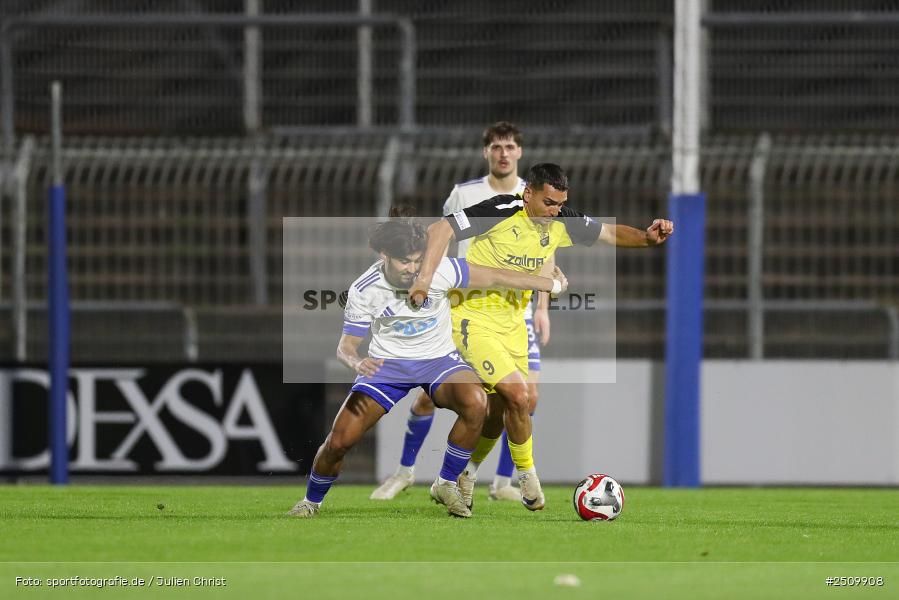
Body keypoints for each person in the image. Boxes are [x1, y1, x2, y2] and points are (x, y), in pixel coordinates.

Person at [407, 162, 674, 511]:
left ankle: (466, 474)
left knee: (514, 403)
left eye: (560, 204)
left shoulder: (560, 221)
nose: (555, 210)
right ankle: (528, 477)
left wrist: (646, 237)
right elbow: (440, 229)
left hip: (514, 324)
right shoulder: (500, 209)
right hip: (473, 319)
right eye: (549, 202)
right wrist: (425, 279)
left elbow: (609, 233)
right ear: (528, 193)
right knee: (517, 394)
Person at [288, 218, 569, 519]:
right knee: (340, 440)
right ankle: (311, 501)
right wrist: (357, 361)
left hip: (438, 360)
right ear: (384, 255)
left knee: (477, 403)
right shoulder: (364, 289)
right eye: (404, 262)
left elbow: (497, 276)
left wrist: (550, 284)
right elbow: (345, 346)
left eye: (418, 260)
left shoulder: (439, 270)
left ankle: (446, 482)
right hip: (387, 367)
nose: (413, 269)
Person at [371, 122, 546, 504]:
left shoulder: (531, 195)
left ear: (519, 152)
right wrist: (432, 285)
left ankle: (500, 483)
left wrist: (543, 308)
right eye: (496, 146)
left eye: (510, 146)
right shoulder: (465, 194)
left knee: (523, 398)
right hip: (466, 307)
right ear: (487, 152)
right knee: (430, 397)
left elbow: (547, 251)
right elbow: (442, 240)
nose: (503, 153)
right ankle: (404, 472)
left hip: (516, 311)